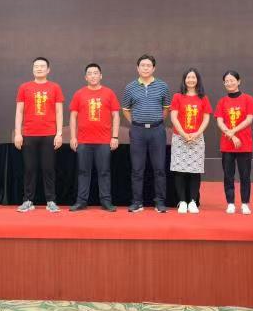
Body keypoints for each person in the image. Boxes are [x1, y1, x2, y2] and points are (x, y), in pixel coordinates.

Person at [121, 54, 171, 213]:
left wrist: (156, 121)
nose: (145, 68)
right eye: (142, 65)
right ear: (137, 68)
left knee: (159, 168)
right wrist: (136, 122)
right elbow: (125, 109)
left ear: (154, 68)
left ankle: (160, 202)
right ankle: (137, 202)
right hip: (138, 131)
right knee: (137, 168)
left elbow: (166, 108)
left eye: (149, 65)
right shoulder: (130, 87)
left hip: (157, 131)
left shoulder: (162, 86)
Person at [68, 63, 120, 212]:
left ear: (101, 75)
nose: (93, 76)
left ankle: (106, 201)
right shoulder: (79, 94)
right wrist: (73, 137)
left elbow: (116, 116)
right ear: (85, 77)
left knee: (104, 172)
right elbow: (73, 117)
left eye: (95, 73)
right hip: (84, 140)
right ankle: (81, 201)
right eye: (90, 73)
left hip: (103, 141)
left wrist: (115, 137)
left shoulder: (109, 93)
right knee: (83, 172)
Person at [14, 57, 64, 213]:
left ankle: (51, 201)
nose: (39, 68)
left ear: (48, 69)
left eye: (42, 66)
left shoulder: (55, 87)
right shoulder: (24, 87)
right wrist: (18, 133)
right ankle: (28, 200)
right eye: (36, 66)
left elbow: (59, 112)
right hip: (29, 134)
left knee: (49, 168)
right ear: (32, 69)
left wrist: (59, 134)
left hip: (49, 134)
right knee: (29, 168)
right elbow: (19, 111)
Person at [214, 70, 253, 215]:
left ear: (238, 81)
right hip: (227, 145)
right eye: (226, 81)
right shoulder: (222, 102)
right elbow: (220, 121)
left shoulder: (248, 99)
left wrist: (233, 131)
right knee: (228, 176)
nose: (229, 83)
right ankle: (230, 203)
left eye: (232, 80)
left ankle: (245, 203)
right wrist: (232, 135)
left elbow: (249, 119)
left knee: (245, 176)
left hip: (244, 145)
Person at [169, 68, 212, 214]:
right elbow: (174, 117)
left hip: (197, 139)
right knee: (180, 171)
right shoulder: (177, 96)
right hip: (179, 138)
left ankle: (193, 201)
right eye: (188, 77)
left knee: (195, 171)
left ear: (197, 80)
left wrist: (197, 134)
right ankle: (182, 201)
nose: (191, 80)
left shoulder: (203, 98)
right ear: (184, 80)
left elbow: (206, 118)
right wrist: (183, 134)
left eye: (193, 77)